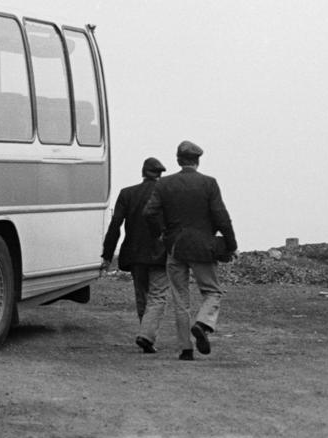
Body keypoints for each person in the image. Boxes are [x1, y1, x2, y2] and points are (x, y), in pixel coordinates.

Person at [144, 140, 237, 360]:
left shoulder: (164, 184)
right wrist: (231, 244)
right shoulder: (209, 184)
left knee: (180, 299)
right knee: (212, 291)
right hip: (204, 248)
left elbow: (149, 212)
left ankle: (186, 349)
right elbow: (221, 217)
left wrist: (162, 233)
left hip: (175, 248)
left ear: (178, 160)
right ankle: (203, 324)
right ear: (197, 160)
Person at [101, 157, 170, 353]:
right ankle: (146, 336)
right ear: (160, 174)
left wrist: (107, 254)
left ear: (142, 172)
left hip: (135, 253)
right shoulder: (164, 194)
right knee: (158, 296)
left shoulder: (127, 194)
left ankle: (145, 333)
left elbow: (115, 226)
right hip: (159, 253)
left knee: (142, 295)